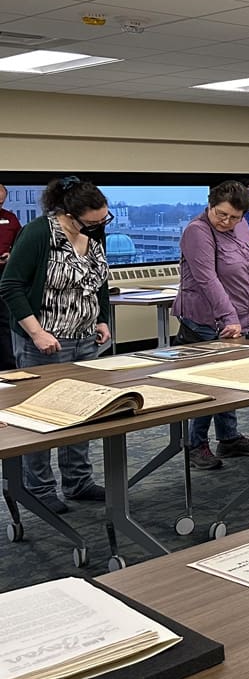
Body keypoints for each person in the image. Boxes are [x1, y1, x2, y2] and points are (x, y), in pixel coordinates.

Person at [0, 176, 112, 513]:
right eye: (92, 222)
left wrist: (102, 318)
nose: (97, 227)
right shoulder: (39, 233)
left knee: (82, 414)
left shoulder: (91, 235)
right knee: (43, 416)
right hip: (44, 342)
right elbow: (11, 286)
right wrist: (36, 333)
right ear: (68, 213)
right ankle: (38, 488)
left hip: (84, 340)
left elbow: (99, 283)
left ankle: (78, 481)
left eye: (102, 220)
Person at [173, 180, 249, 471]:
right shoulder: (197, 231)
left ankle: (228, 438)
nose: (226, 222)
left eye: (234, 217)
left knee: (230, 379)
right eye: (221, 214)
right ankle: (195, 444)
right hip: (206, 318)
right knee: (210, 382)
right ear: (210, 205)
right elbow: (207, 279)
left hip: (238, 314)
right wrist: (228, 319)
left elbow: (244, 257)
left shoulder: (239, 226)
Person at [0, 183, 22, 370]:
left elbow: (21, 245)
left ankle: (9, 366)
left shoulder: (10, 219)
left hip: (4, 278)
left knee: (5, 323)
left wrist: (11, 255)